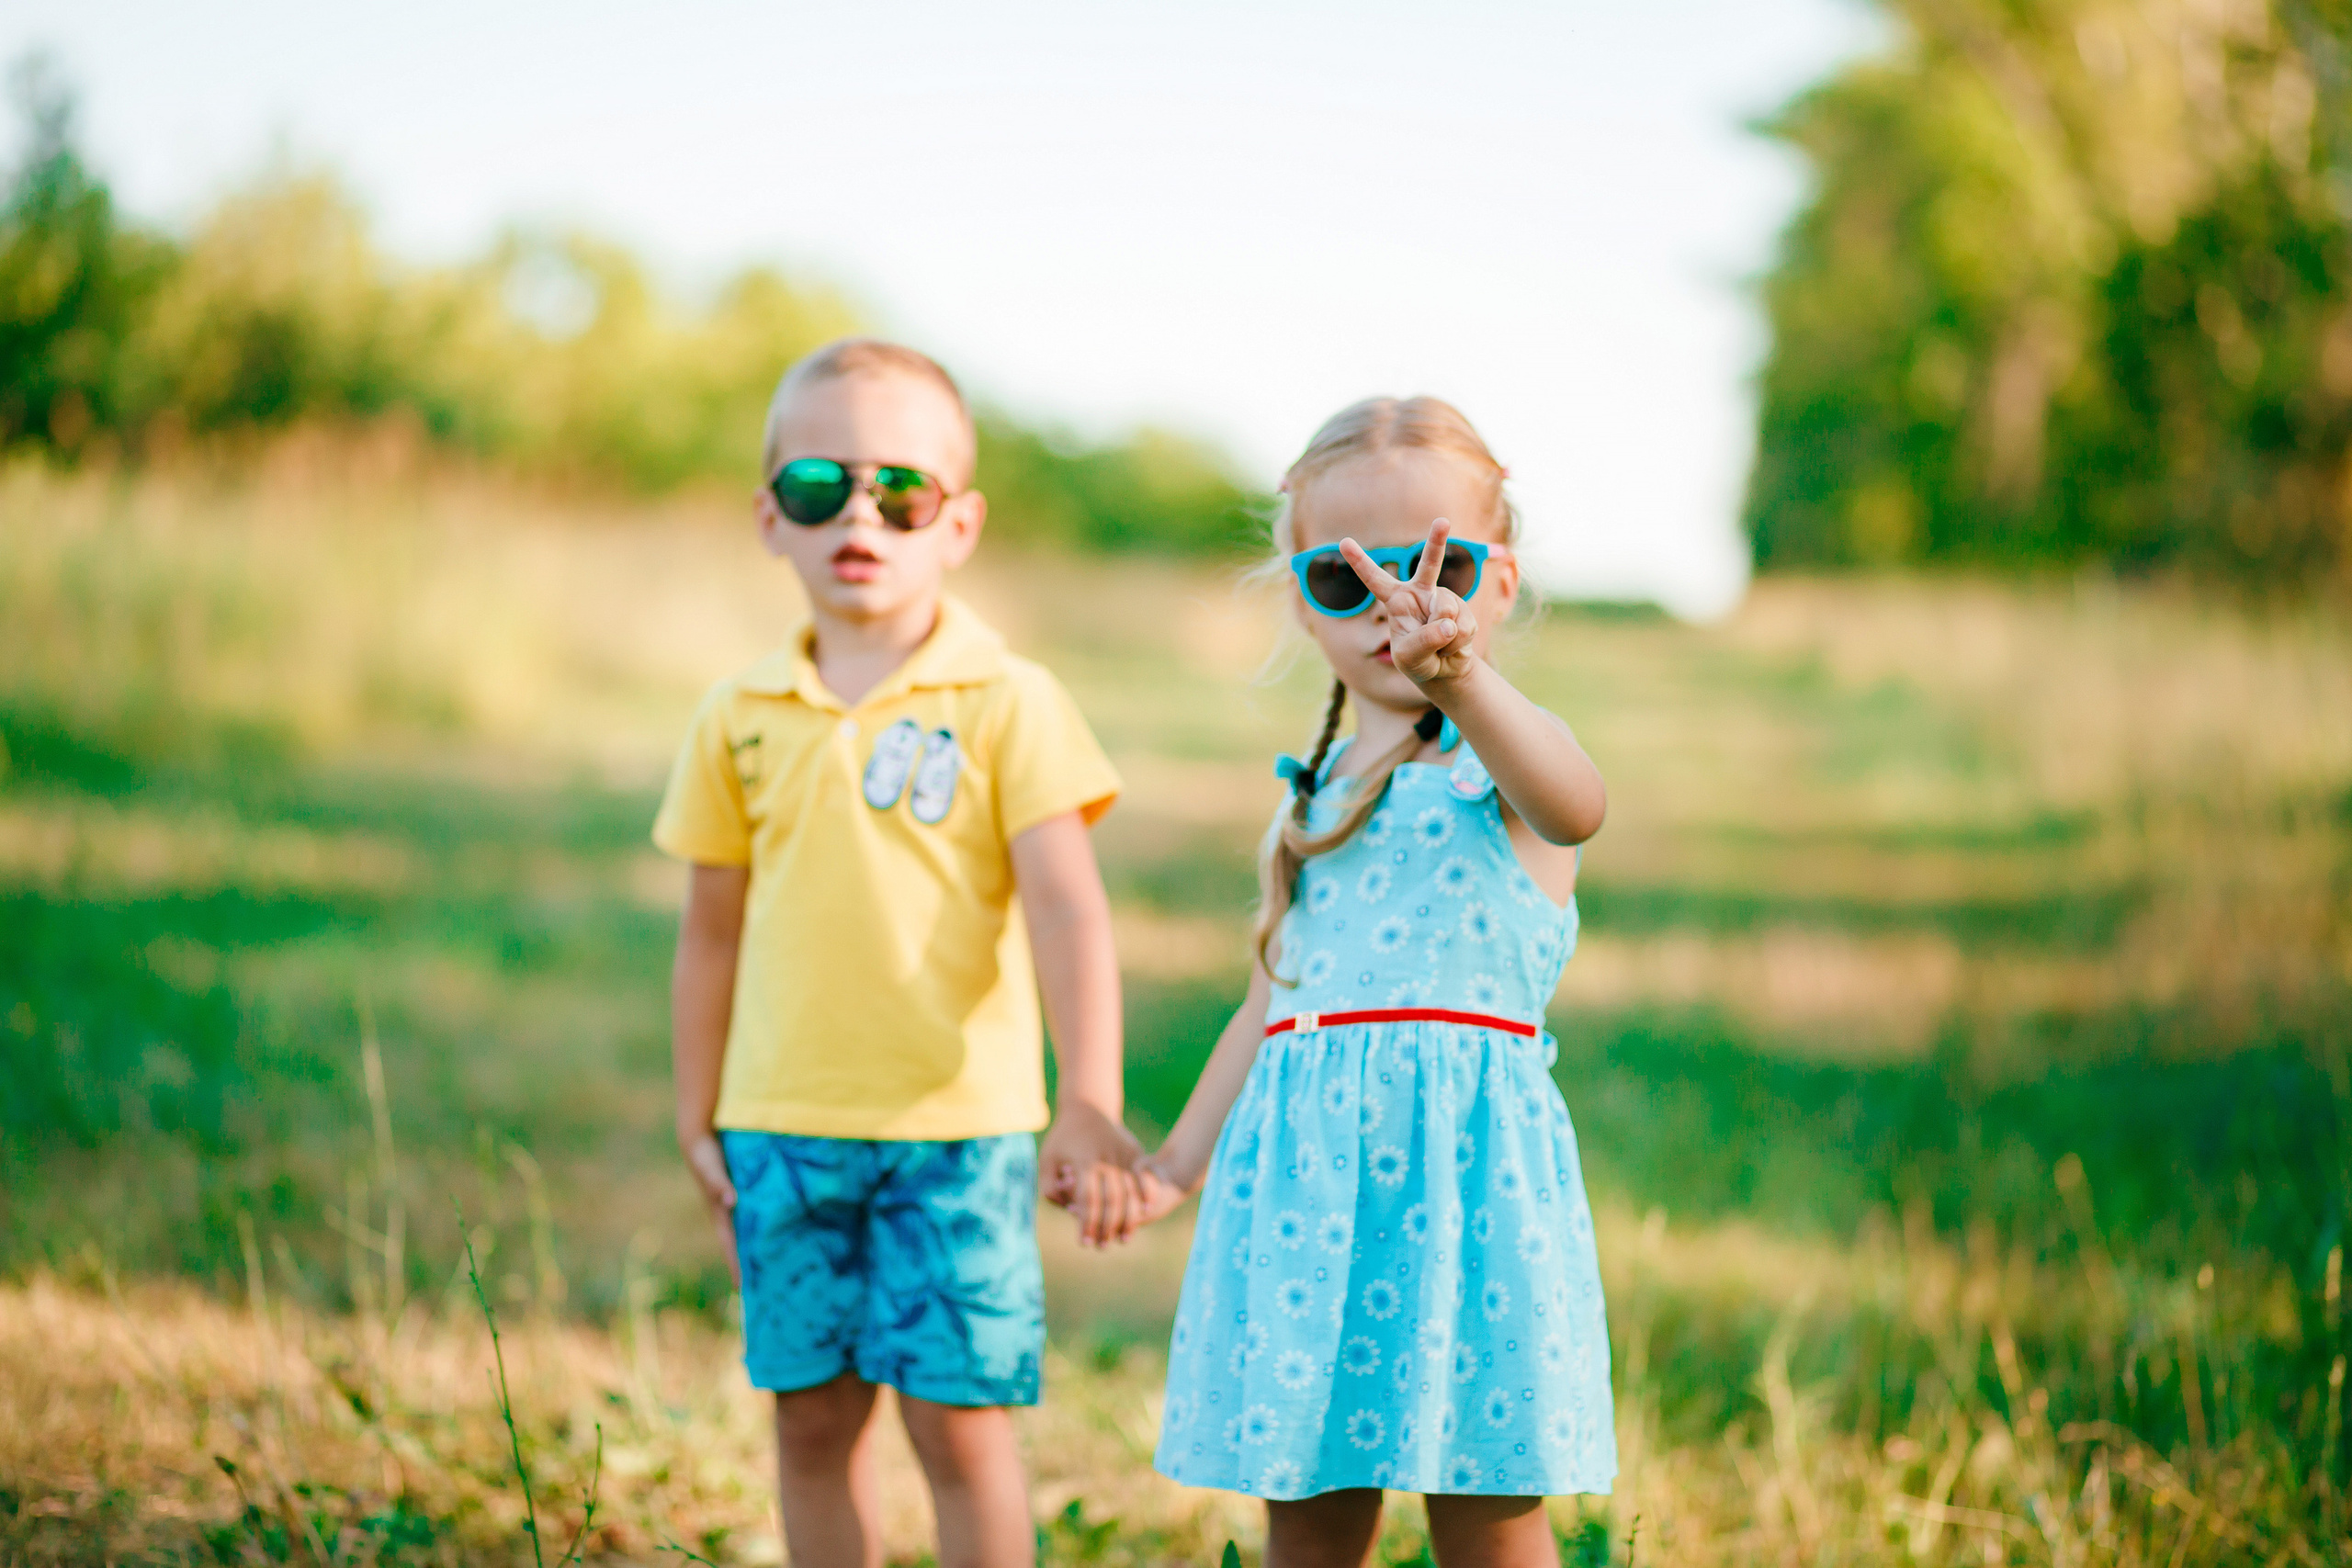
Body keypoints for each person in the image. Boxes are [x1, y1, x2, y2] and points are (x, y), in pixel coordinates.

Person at [653, 338, 1143, 1568]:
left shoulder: (1009, 700)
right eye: (821, 487)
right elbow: (711, 928)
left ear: (958, 523)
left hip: (956, 1132)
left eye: (902, 491)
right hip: (784, 1126)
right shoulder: (740, 714)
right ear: (772, 517)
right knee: (813, 1421)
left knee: (961, 1426)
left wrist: (1088, 1099)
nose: (860, 514)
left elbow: (1069, 911)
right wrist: (696, 1105)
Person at [1132, 398, 1617, 1567]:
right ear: (1306, 603)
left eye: (1436, 566)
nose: (1398, 605)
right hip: (1306, 1196)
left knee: (1486, 1505)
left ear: (1496, 585)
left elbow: (1578, 804)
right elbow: (1270, 1001)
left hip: (1467, 1187)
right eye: (1348, 583)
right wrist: (1173, 1167)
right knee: (1309, 1493)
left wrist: (1461, 685)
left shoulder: (1502, 756)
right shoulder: (1314, 786)